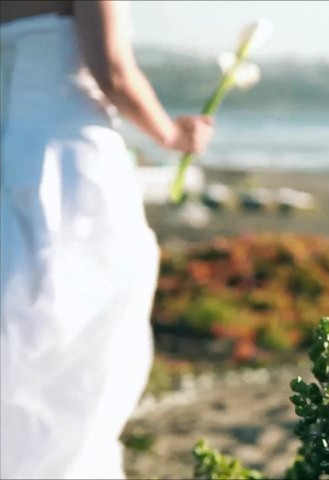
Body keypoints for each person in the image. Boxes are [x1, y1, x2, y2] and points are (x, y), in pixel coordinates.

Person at [0, 1, 214, 478]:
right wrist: (174, 135)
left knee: (20, 324)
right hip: (68, 165)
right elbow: (114, 72)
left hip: (9, 152)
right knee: (85, 329)